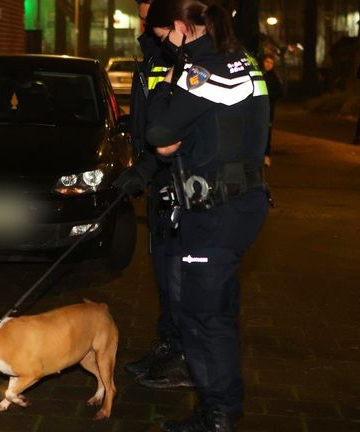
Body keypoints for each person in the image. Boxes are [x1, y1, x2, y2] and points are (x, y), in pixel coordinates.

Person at [141, 0, 269, 430]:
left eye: (166, 38)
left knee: (202, 316)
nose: (166, 47)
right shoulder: (244, 61)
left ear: (180, 27)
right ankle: (219, 408)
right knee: (215, 310)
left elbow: (158, 131)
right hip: (240, 202)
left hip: (215, 209)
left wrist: (169, 80)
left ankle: (218, 416)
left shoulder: (202, 70)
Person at [114, 0, 193, 390]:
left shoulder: (183, 55)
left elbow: (178, 129)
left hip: (179, 181)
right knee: (162, 273)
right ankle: (167, 347)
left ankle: (181, 359)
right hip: (158, 180)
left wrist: (150, 167)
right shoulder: (150, 52)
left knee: (178, 277)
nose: (144, 12)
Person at [262, 54, 283, 166]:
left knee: (267, 132)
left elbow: (280, 92)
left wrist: (269, 97)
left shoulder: (273, 77)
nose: (268, 65)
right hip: (261, 108)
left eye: (271, 63)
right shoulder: (262, 74)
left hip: (269, 109)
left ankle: (266, 155)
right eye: (267, 62)